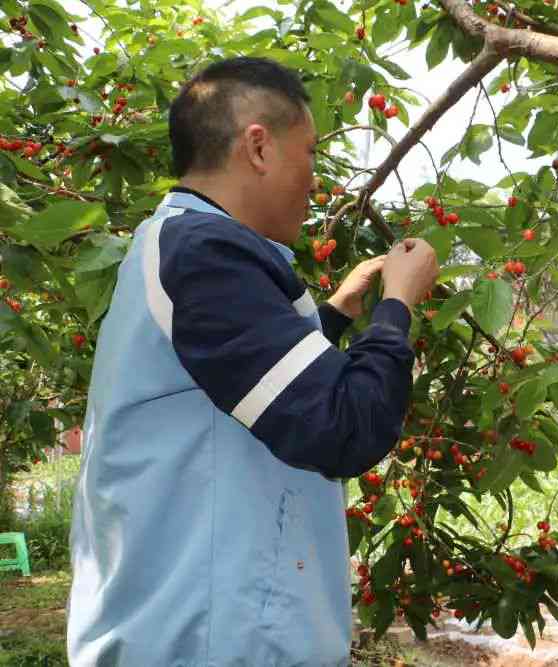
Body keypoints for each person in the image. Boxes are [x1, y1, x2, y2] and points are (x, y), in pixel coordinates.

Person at [67, 56, 439, 666]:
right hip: (209, 640)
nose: (315, 177)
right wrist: (397, 304)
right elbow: (345, 426)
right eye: (311, 152)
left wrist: (338, 313)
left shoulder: (183, 245)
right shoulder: (205, 253)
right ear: (259, 147)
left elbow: (246, 385)